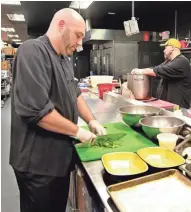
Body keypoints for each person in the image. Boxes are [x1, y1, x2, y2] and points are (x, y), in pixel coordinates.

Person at [10, 8, 106, 212]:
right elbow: (37, 111)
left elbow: (76, 93)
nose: (80, 44)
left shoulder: (63, 58)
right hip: (37, 165)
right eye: (78, 35)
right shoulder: (33, 51)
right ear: (61, 25)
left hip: (58, 161)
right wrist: (77, 131)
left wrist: (91, 120)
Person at [131, 38, 191, 109]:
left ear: (173, 48)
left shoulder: (182, 61)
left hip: (179, 108)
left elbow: (159, 70)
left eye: (165, 48)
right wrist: (141, 70)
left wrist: (140, 71)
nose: (163, 50)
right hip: (168, 106)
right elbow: (155, 68)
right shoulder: (168, 62)